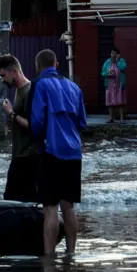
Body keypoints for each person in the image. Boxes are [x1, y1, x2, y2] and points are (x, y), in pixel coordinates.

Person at [28, 49, 87, 257]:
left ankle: (49, 256)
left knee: (50, 207)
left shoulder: (39, 85)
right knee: (68, 206)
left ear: (38, 66)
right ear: (57, 64)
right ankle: (71, 252)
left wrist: (38, 141)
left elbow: (37, 122)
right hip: (74, 152)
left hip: (51, 150)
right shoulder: (74, 87)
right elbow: (82, 122)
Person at [0, 54, 40, 202]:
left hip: (30, 156)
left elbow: (33, 126)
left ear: (14, 71)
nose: (2, 79)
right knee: (14, 197)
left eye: (3, 75)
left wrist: (11, 113)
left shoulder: (30, 91)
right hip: (20, 154)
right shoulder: (18, 91)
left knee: (18, 198)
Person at [100, 47, 127, 124]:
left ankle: (122, 118)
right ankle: (111, 118)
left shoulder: (121, 61)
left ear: (118, 54)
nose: (113, 55)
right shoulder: (107, 62)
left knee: (120, 101)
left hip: (119, 84)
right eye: (112, 53)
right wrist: (107, 74)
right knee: (110, 101)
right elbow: (103, 72)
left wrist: (118, 61)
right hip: (109, 84)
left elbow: (123, 68)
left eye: (115, 53)